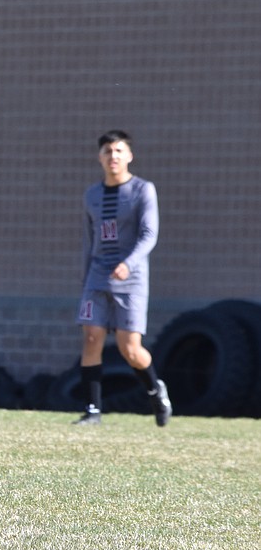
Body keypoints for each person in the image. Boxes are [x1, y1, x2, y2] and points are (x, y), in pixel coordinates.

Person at [74, 130, 171, 426]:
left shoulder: (143, 190)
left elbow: (149, 234)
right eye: (107, 151)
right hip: (97, 278)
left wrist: (128, 263)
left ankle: (156, 391)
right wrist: (85, 280)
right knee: (91, 338)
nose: (112, 156)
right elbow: (90, 242)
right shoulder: (91, 195)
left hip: (131, 278)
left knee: (131, 350)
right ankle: (93, 411)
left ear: (129, 155)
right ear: (99, 157)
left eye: (118, 151)